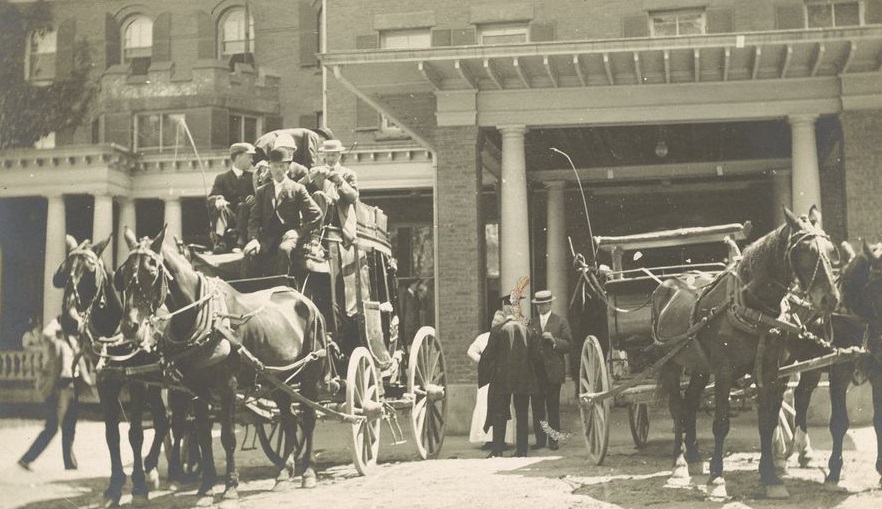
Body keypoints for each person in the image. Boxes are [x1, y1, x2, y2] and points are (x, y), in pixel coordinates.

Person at [18, 316, 92, 471]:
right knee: (52, 426)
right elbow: (46, 333)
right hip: (59, 387)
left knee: (70, 427)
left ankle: (69, 463)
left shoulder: (74, 342)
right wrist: (58, 319)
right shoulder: (54, 342)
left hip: (72, 387)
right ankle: (26, 459)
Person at [478, 293, 543, 458]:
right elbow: (537, 356)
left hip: (502, 378)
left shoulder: (497, 330)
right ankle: (522, 450)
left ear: (506, 308)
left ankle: (497, 450)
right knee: (522, 413)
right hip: (524, 378)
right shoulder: (529, 330)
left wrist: (486, 376)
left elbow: (488, 356)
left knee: (499, 412)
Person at [243, 147, 323, 279]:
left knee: (284, 250)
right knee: (250, 253)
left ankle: (281, 286)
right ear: (270, 167)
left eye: (282, 166)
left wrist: (298, 232)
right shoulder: (262, 191)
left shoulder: (298, 189)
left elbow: (316, 215)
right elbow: (254, 219)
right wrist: (254, 239)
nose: (278, 170)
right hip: (267, 238)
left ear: (288, 167)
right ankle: (251, 289)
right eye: (275, 166)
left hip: (289, 237)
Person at [529, 290, 572, 451]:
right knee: (537, 408)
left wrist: (554, 341)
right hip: (536, 373)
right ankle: (540, 440)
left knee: (553, 408)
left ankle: (553, 440)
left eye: (543, 304)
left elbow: (569, 345)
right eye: (538, 305)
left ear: (550, 304)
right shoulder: (532, 323)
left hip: (553, 372)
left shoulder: (560, 322)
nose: (540, 307)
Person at [207, 142, 258, 253]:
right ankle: (220, 241)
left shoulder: (253, 178)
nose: (252, 160)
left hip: (246, 219)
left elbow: (262, 195)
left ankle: (240, 243)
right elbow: (212, 197)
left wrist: (255, 198)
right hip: (229, 218)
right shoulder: (222, 178)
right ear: (239, 157)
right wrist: (219, 199)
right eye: (249, 157)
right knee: (221, 207)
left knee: (243, 206)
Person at [467, 331, 514, 448]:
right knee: (485, 406)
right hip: (486, 377)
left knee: (503, 407)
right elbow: (471, 351)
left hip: (502, 376)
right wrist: (482, 360)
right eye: (494, 322)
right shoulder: (483, 337)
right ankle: (487, 439)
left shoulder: (507, 336)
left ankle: (502, 439)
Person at [254, 127, 335, 181]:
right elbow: (310, 159)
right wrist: (312, 174)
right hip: (268, 144)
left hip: (262, 143)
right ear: (323, 139)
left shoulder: (303, 135)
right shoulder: (314, 136)